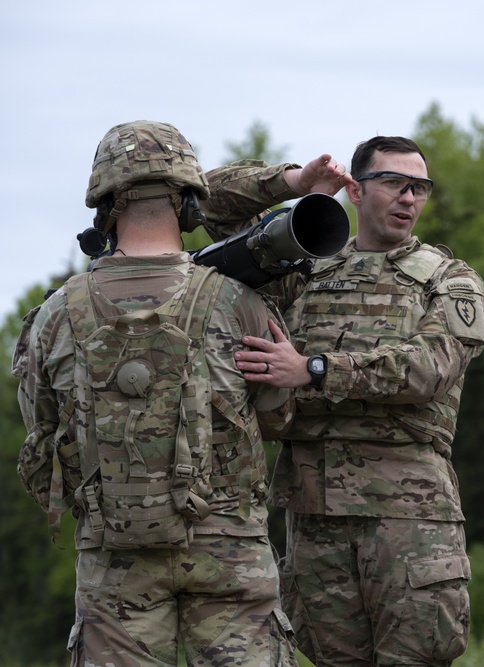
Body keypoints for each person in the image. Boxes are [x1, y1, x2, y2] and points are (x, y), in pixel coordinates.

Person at [13, 120, 298, 665]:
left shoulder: (55, 315)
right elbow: (279, 418)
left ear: (104, 207)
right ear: (190, 205)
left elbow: (42, 428)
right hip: (229, 555)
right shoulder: (240, 304)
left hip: (113, 559)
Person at [200, 135, 484, 666]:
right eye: (393, 183)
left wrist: (312, 369)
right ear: (355, 190)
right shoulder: (304, 271)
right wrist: (293, 184)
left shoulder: (449, 279)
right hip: (314, 512)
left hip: (409, 513)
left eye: (419, 187)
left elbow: (429, 369)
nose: (408, 198)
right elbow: (205, 202)